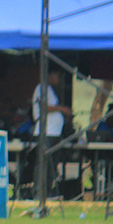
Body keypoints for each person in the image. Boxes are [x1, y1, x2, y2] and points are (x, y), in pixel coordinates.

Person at [32, 67, 72, 196]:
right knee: (44, 164)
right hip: (46, 132)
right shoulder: (42, 88)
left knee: (52, 165)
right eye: (56, 76)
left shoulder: (50, 90)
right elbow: (44, 107)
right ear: (49, 75)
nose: (58, 79)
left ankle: (47, 191)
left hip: (55, 133)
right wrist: (62, 109)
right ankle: (38, 192)